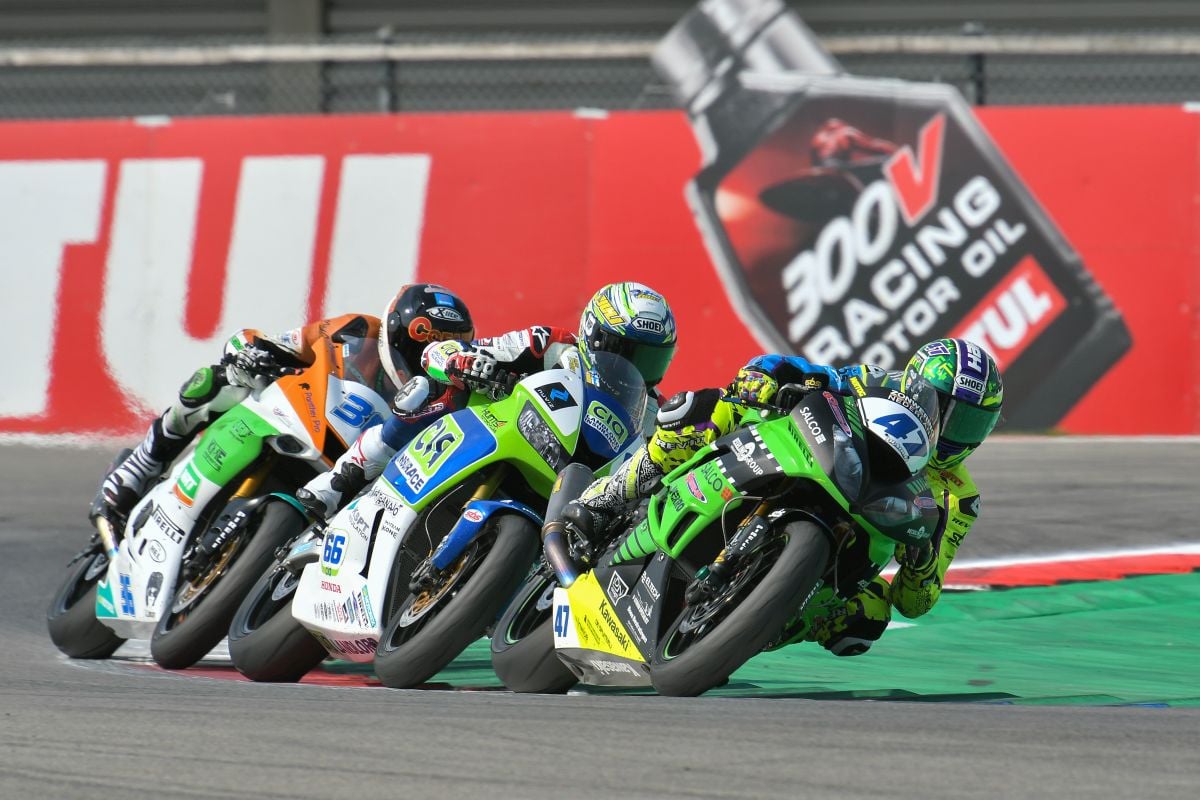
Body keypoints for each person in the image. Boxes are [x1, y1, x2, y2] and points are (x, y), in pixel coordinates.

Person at [561, 337, 1004, 657]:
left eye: (971, 424)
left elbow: (917, 601)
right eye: (946, 412)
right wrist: (765, 376)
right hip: (820, 463)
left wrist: (923, 561)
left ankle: (743, 628)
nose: (953, 434)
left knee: (867, 617)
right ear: (913, 386)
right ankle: (608, 497)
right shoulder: (876, 383)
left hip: (862, 532)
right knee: (713, 411)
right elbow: (807, 371)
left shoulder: (959, 498)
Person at [91, 283, 476, 524]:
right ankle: (145, 461)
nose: (421, 358)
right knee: (217, 382)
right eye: (417, 345)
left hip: (352, 471)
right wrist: (250, 351)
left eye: (436, 349)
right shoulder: (353, 328)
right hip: (303, 419)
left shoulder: (447, 395)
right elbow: (271, 342)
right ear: (394, 332)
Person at [293, 281, 678, 519]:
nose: (632, 366)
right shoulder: (550, 344)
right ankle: (338, 483)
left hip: (566, 485)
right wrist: (465, 361)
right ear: (594, 335)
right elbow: (444, 353)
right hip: (490, 432)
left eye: (649, 358)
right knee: (429, 391)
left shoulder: (651, 413)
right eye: (624, 350)